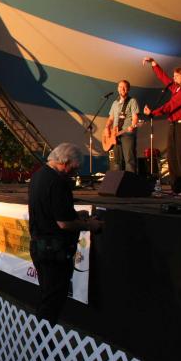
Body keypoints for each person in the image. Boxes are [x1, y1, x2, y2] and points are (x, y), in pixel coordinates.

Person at [28, 143, 102, 324]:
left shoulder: (38, 176)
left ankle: (42, 340)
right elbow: (63, 223)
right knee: (53, 300)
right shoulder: (58, 182)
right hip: (55, 250)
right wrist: (91, 226)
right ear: (65, 161)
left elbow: (50, 212)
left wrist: (76, 215)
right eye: (73, 168)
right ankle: (44, 345)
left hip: (39, 246)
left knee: (47, 295)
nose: (74, 173)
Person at [142, 57, 181, 194]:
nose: (174, 77)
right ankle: (176, 188)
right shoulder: (177, 88)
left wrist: (153, 113)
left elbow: (171, 105)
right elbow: (165, 79)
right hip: (173, 125)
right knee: (172, 156)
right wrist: (154, 64)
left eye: (177, 75)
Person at [104, 80, 139, 173]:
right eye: (120, 87)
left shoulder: (132, 101)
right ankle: (117, 183)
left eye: (124, 87)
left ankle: (130, 183)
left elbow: (135, 117)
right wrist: (107, 127)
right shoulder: (114, 103)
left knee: (129, 160)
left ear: (128, 89)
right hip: (115, 134)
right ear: (117, 89)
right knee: (116, 161)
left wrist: (133, 125)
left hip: (127, 133)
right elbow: (111, 118)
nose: (122, 89)